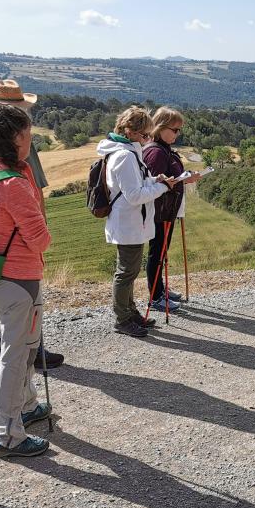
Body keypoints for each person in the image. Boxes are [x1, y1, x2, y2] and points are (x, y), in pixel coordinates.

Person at [0, 79, 64, 368]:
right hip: (17, 232)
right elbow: (33, 187)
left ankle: (4, 341)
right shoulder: (18, 142)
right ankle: (32, 352)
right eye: (22, 109)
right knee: (25, 301)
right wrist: (39, 226)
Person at [0, 104, 53, 458]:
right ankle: (6, 434)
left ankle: (28, 406)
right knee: (16, 355)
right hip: (19, 279)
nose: (29, 142)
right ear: (15, 137)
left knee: (18, 347)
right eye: (27, 135)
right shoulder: (12, 182)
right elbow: (40, 238)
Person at [96, 106, 179, 338]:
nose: (146, 140)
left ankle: (130, 312)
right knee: (125, 272)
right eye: (144, 136)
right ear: (130, 131)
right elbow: (134, 195)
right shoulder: (124, 156)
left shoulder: (127, 151)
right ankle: (122, 318)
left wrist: (155, 179)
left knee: (130, 271)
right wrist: (162, 187)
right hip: (128, 223)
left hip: (133, 223)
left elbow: (138, 183)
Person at [142, 107, 202, 313]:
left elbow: (169, 179)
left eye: (179, 130)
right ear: (160, 127)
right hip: (159, 211)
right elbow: (156, 182)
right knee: (157, 252)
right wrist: (184, 179)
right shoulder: (156, 151)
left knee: (161, 252)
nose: (177, 134)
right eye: (174, 130)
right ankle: (155, 296)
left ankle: (160, 290)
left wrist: (185, 178)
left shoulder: (162, 148)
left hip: (167, 210)